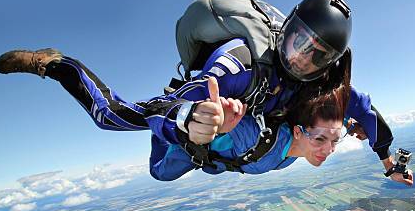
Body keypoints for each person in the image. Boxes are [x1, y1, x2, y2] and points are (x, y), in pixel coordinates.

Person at [0, 0, 413, 186]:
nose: (300, 59)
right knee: (115, 123)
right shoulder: (240, 61)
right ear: (285, 30)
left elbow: (367, 113)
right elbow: (189, 97)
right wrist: (194, 121)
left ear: (329, 63)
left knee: (170, 170)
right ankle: (55, 63)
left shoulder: (325, 83)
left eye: (315, 55)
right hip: (206, 122)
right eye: (297, 42)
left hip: (248, 138)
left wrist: (387, 161)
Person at [149, 77, 349, 181]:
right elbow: (226, 120)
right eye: (320, 140)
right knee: (160, 173)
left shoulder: (304, 143)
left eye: (335, 140)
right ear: (297, 132)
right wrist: (213, 116)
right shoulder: (255, 135)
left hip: (222, 163)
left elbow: (337, 120)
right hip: (192, 149)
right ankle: (166, 127)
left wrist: (355, 125)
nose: (330, 150)